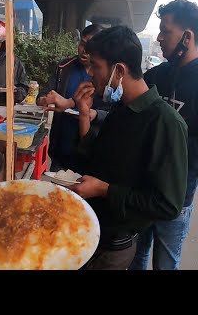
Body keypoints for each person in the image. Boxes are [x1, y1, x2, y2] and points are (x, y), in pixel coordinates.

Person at [67, 25, 188, 270]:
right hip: (90, 229)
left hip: (113, 246)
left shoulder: (165, 123)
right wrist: (82, 115)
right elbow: (96, 159)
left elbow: (167, 204)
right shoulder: (120, 109)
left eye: (96, 67)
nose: (90, 74)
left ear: (119, 70)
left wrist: (104, 190)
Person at [129, 0, 198, 270]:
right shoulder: (156, 75)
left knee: (165, 263)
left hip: (176, 198)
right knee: (137, 258)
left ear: (187, 37)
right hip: (144, 191)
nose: (159, 37)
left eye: (165, 31)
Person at [38, 24, 106, 173]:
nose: (85, 51)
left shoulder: (106, 74)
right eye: (83, 43)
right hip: (61, 148)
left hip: (90, 152)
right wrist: (46, 100)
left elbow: (116, 112)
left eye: (91, 47)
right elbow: (42, 94)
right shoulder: (64, 67)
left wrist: (94, 114)